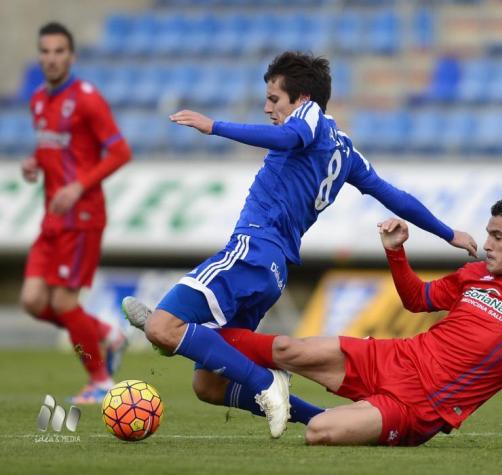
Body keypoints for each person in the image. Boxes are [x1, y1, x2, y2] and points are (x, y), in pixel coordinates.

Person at [122, 51, 477, 438]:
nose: (267, 107)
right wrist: (448, 233)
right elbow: (394, 196)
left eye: (274, 99)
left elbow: (293, 134)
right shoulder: (346, 151)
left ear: (302, 99)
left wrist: (215, 126)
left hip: (253, 249)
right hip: (273, 270)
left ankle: (255, 378)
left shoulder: (308, 120)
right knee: (208, 386)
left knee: (162, 326)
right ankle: (319, 417)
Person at [208, 197, 502, 450]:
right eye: (488, 234)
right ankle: (188, 332)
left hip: (422, 406)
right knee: (287, 349)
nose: (487, 243)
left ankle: (295, 399)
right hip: (395, 356)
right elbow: (417, 300)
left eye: (497, 236)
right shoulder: (474, 275)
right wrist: (396, 254)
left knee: (319, 432)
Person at [20, 22, 131, 404]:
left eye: (59, 51)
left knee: (64, 303)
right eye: (45, 51)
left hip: (82, 217)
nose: (51, 58)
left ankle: (99, 379)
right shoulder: (37, 99)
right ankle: (103, 331)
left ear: (72, 56)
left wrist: (77, 186)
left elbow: (120, 152)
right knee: (34, 301)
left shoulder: (87, 98)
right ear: (40, 55)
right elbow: (55, 148)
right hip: (51, 218)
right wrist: (34, 162)